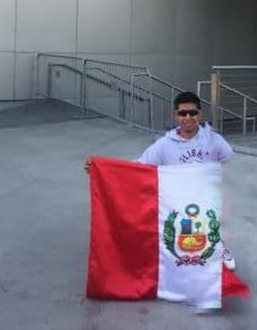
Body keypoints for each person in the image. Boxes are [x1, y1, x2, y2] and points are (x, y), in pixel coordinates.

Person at [85, 91, 237, 270]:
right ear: (175, 116)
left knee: (211, 223)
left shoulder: (214, 140)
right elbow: (138, 165)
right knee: (183, 238)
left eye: (192, 113)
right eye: (182, 113)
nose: (187, 117)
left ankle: (219, 246)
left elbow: (230, 162)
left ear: (200, 114)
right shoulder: (165, 144)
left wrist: (220, 185)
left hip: (208, 198)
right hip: (179, 202)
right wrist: (102, 167)